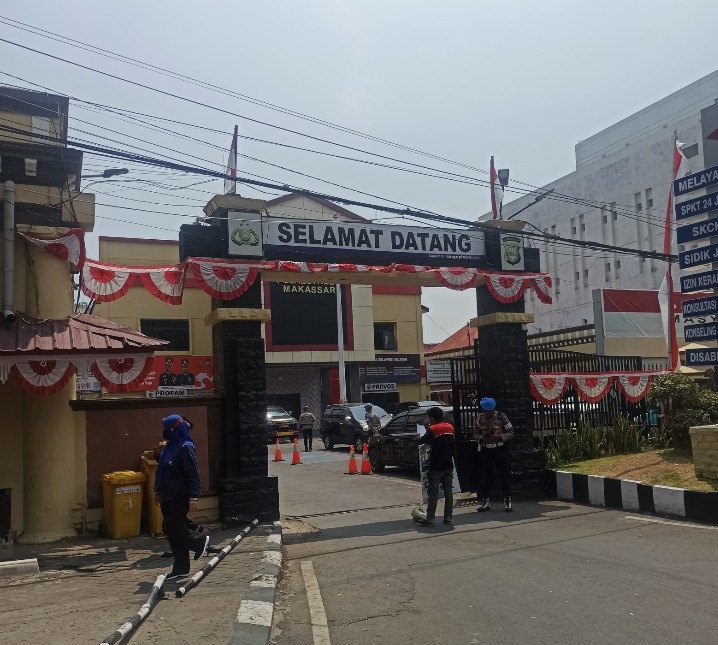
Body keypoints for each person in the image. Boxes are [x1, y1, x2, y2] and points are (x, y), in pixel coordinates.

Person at [154, 413, 210, 580]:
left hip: (179, 495)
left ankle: (199, 541)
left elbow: (192, 473)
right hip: (167, 495)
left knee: (176, 528)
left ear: (175, 430)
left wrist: (194, 497)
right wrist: (158, 492)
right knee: (172, 532)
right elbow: (162, 470)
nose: (165, 432)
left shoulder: (186, 447)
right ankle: (181, 568)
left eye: (167, 429)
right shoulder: (169, 447)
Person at [415, 407, 456, 526]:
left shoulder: (433, 429)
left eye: (430, 418)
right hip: (448, 464)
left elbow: (422, 441)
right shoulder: (450, 427)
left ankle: (430, 519)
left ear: (432, 418)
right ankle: (448, 517)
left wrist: (418, 438)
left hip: (436, 466)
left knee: (433, 493)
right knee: (448, 492)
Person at [474, 397, 514, 513]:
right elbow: (475, 434)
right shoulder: (479, 418)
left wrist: (500, 437)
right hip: (486, 449)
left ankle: (507, 501)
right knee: (486, 477)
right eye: (485, 410)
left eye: (489, 410)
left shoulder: (502, 417)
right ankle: (485, 502)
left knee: (504, 475)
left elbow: (511, 432)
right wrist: (481, 438)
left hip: (499, 448)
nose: (487, 412)